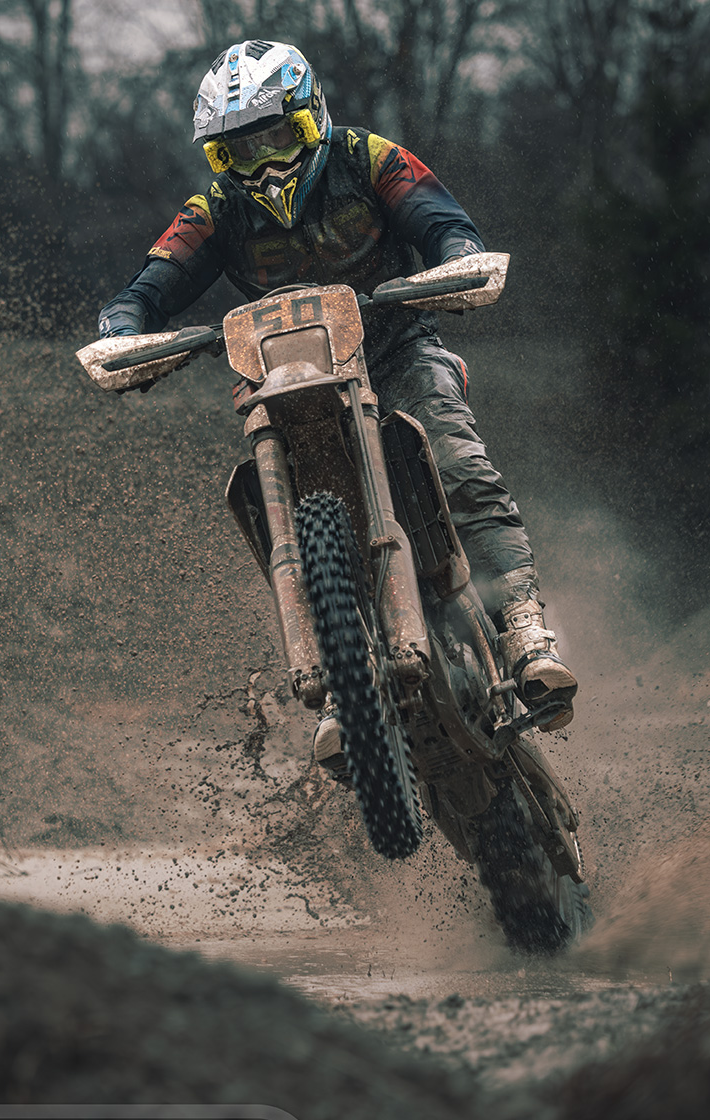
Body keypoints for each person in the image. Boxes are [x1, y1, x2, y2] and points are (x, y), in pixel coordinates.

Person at [98, 40, 578, 759]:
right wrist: (122, 333)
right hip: (287, 385)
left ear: (311, 117)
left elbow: (445, 224)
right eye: (239, 151)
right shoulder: (215, 210)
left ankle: (523, 628)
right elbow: (146, 288)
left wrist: (457, 261)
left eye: (276, 138)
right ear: (219, 160)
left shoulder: (369, 159)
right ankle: (334, 678)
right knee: (277, 509)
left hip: (398, 351)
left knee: (457, 460)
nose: (263, 164)